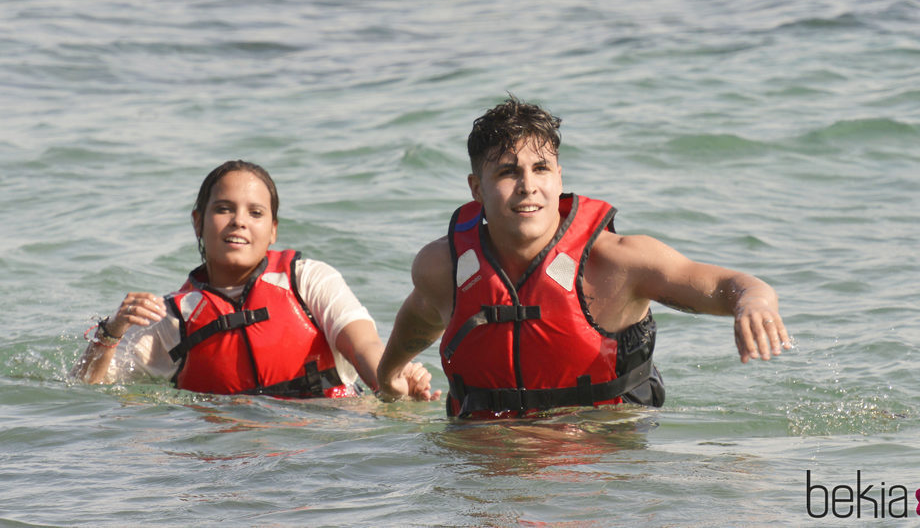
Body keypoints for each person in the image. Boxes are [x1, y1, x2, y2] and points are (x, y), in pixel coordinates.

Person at [377, 97, 790, 417]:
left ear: (560, 178)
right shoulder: (443, 268)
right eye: (507, 172)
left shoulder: (618, 264)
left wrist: (752, 303)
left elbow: (730, 285)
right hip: (486, 455)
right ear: (476, 188)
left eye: (541, 169)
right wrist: (388, 376)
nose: (528, 186)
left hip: (600, 459)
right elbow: (421, 316)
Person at [72, 160, 438, 401]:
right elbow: (88, 395)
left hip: (331, 447)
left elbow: (365, 349)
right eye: (223, 209)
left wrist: (392, 387)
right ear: (198, 222)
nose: (239, 221)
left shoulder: (308, 280)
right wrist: (111, 332)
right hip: (222, 461)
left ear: (273, 230)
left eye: (256, 212)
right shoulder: (172, 319)